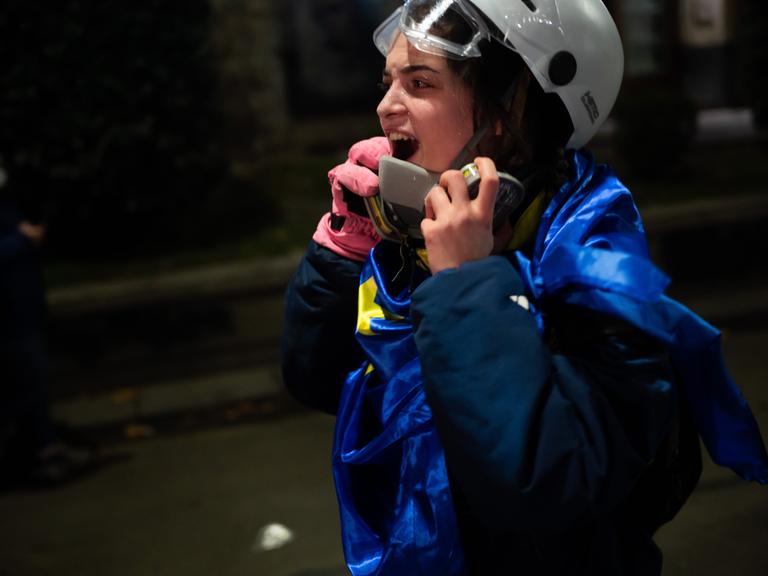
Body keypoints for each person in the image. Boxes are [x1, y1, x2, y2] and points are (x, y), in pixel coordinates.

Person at [281, 1, 768, 574]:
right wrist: (346, 247)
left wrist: (466, 283)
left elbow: (542, 481)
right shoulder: (416, 239)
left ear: (507, 115)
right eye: (388, 82)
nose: (385, 107)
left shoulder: (599, 278)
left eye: (419, 82)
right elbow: (317, 381)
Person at [0, 157, 95, 488]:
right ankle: (41, 454)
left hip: (22, 304)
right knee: (27, 382)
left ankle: (46, 448)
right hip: (10, 312)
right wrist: (22, 240)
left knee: (32, 382)